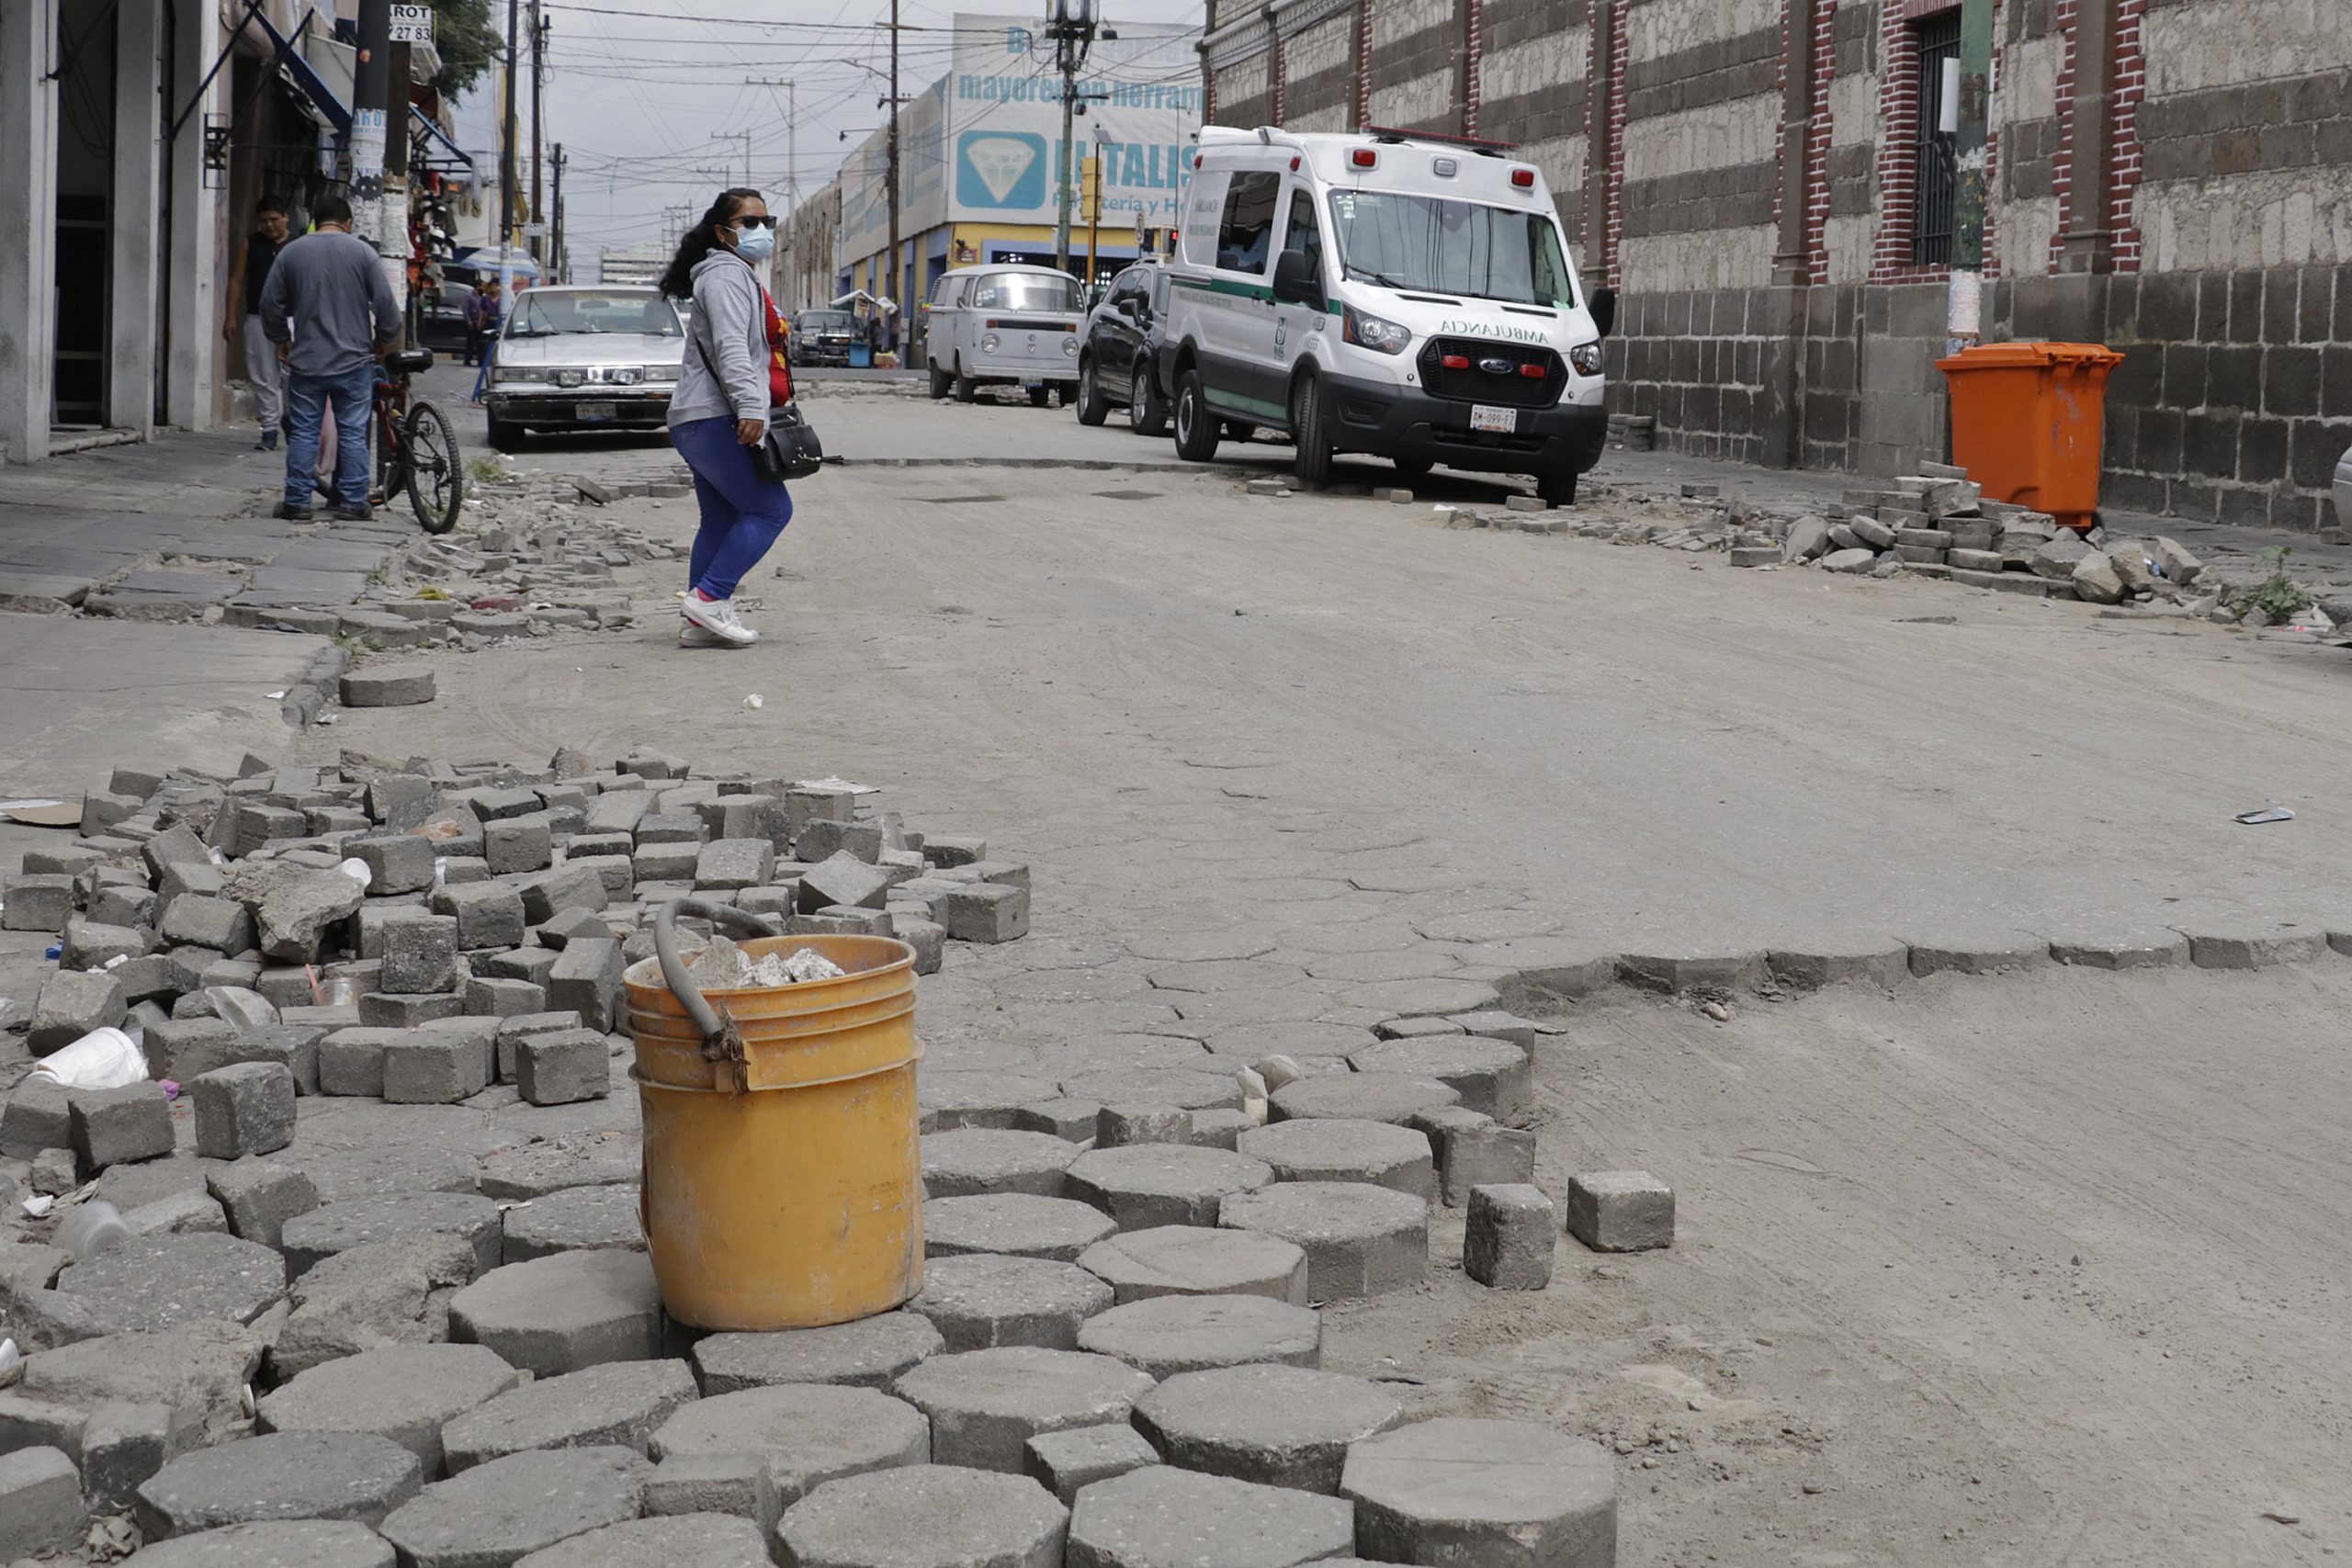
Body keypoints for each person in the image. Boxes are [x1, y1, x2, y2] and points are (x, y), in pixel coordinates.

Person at [659, 187, 796, 649]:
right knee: (771, 509)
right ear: (722, 232)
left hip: (697, 419)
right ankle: (710, 599)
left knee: (719, 519)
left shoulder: (730, 274)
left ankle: (699, 623)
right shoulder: (724, 276)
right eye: (749, 223)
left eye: (767, 222)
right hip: (716, 416)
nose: (761, 231)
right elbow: (732, 346)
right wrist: (751, 408)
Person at [257, 192, 400, 523]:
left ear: (314, 222)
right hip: (353, 362)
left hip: (307, 360)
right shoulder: (363, 253)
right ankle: (351, 502)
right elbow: (385, 305)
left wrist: (281, 338)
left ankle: (296, 502)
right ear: (348, 223)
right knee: (352, 430)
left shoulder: (292, 252)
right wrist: (384, 339)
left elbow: (269, 303)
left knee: (304, 431)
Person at [222, 196, 290, 450]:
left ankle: (290, 419)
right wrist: (230, 316)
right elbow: (237, 280)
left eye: (274, 219)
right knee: (263, 376)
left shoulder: (298, 245)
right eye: (264, 221)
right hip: (258, 318)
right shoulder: (250, 244)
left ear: (286, 217)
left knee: (292, 375)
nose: (269, 225)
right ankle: (269, 430)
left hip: (292, 320)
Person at [462, 277, 501, 367]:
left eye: (496, 285)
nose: (494, 288)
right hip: (485, 321)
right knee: (480, 342)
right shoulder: (485, 298)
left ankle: (492, 360)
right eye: (493, 285)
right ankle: (480, 361)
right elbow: (481, 311)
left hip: (498, 322)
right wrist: (477, 322)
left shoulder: (503, 298)